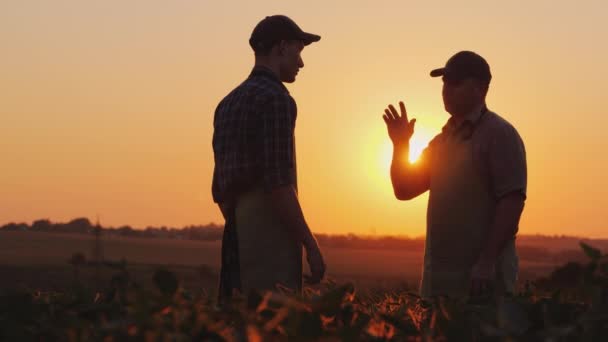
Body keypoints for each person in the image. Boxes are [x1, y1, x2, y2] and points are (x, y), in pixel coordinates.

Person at [382, 51, 527, 298]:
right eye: (445, 82)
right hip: (438, 285)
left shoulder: (499, 134)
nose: (447, 89)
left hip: (480, 284)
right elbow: (404, 190)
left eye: (456, 82)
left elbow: (512, 202)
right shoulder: (441, 142)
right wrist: (400, 145)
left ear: (480, 88)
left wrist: (486, 262)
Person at [212, 15, 326, 302]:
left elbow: (221, 191)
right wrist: (310, 245)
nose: (301, 63)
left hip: (235, 238)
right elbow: (279, 184)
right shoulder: (277, 99)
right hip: (270, 244)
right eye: (299, 52)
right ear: (282, 47)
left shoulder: (226, 104)